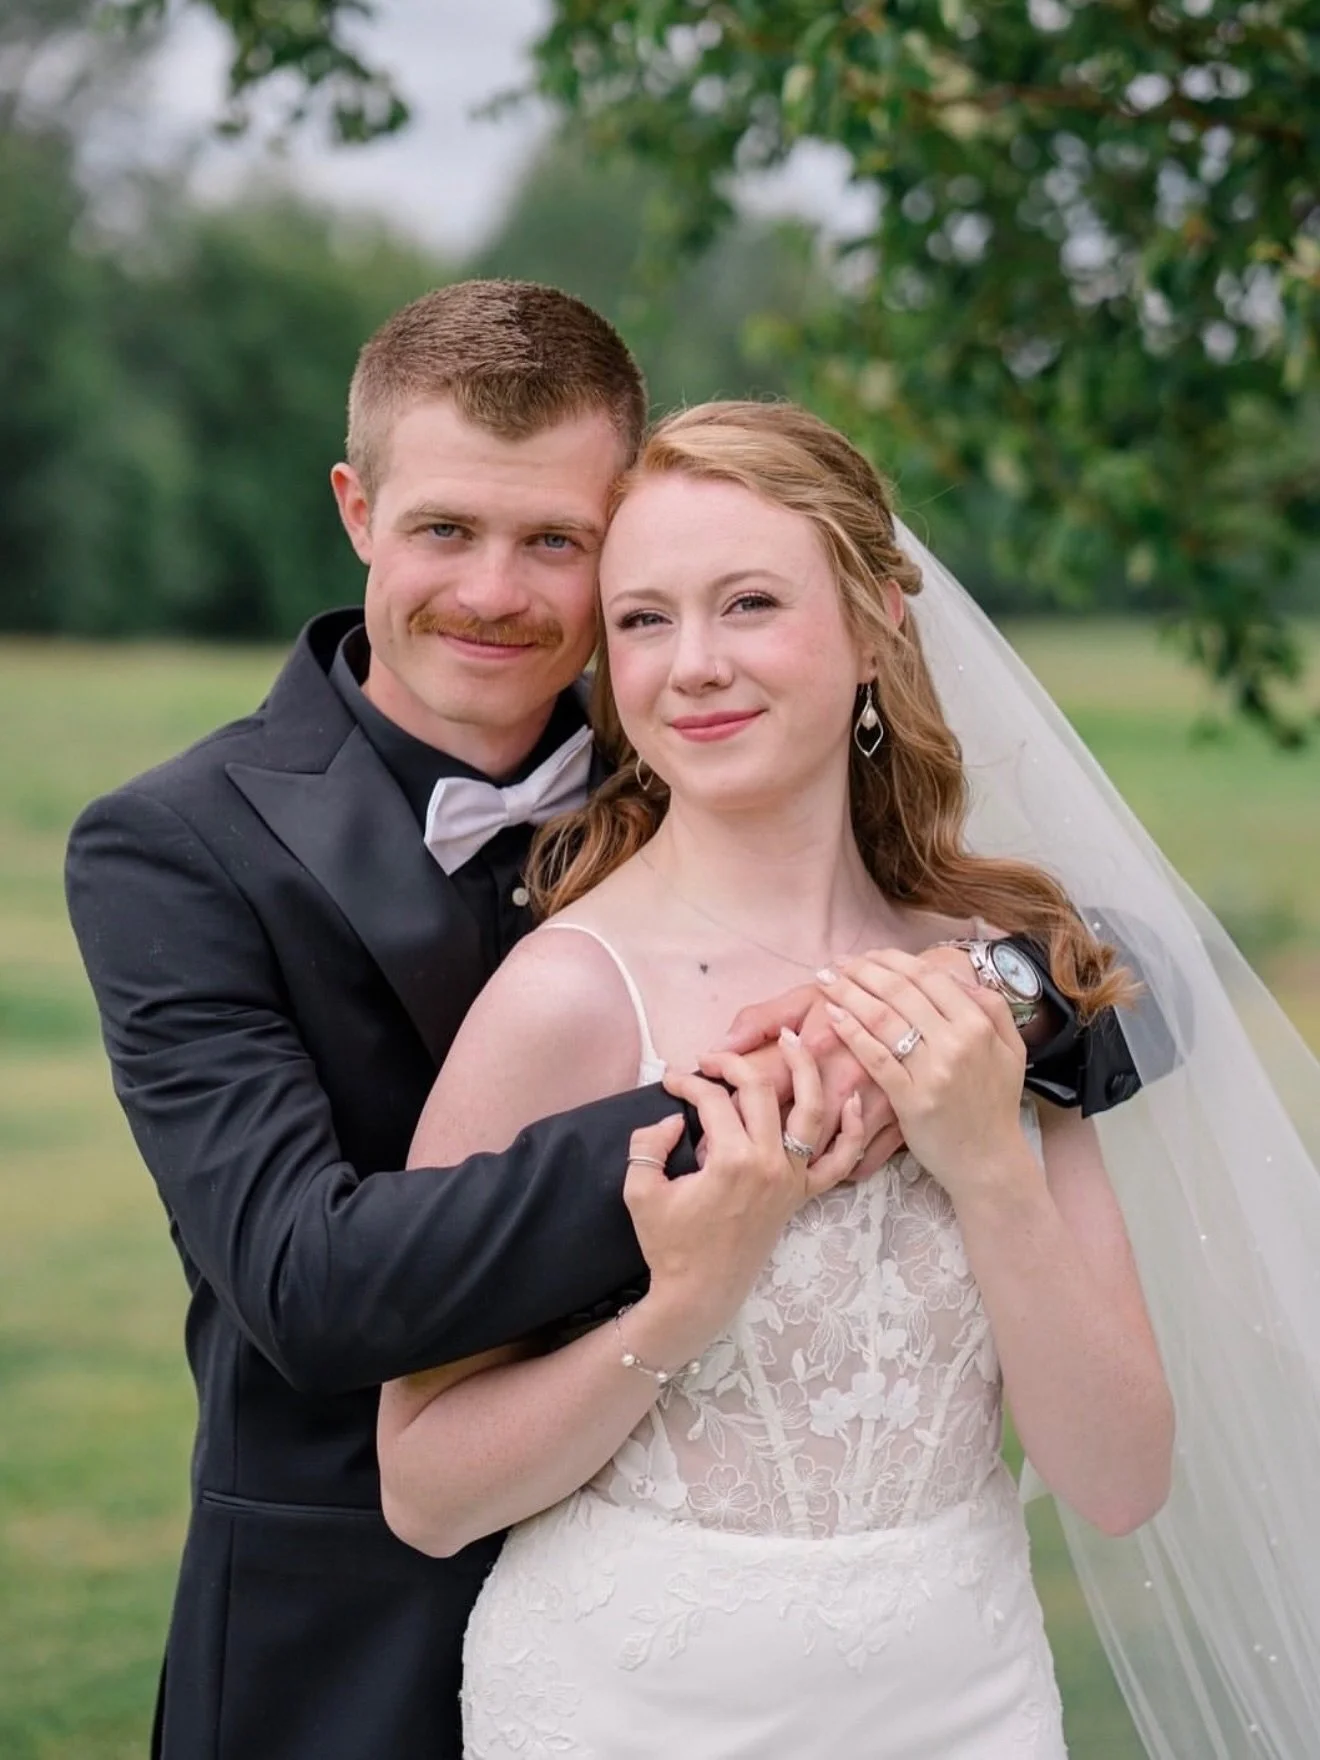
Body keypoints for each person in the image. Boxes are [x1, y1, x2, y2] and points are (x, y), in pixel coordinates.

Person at [65, 284, 1139, 1760]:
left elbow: (1104, 967)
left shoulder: (709, 734)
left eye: (557, 543)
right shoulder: (179, 845)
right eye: (446, 529)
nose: (495, 591)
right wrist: (765, 1101)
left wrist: (985, 997)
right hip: (354, 1633)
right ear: (357, 511)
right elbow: (307, 1281)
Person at [378, 400, 1177, 1758]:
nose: (695, 666)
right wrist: (683, 1305)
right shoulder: (565, 998)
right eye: (644, 620)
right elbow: (424, 1492)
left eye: (749, 603)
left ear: (874, 627)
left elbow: (1118, 1482)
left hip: (967, 1704)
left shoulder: (997, 987)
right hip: (631, 1705)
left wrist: (989, 1164)